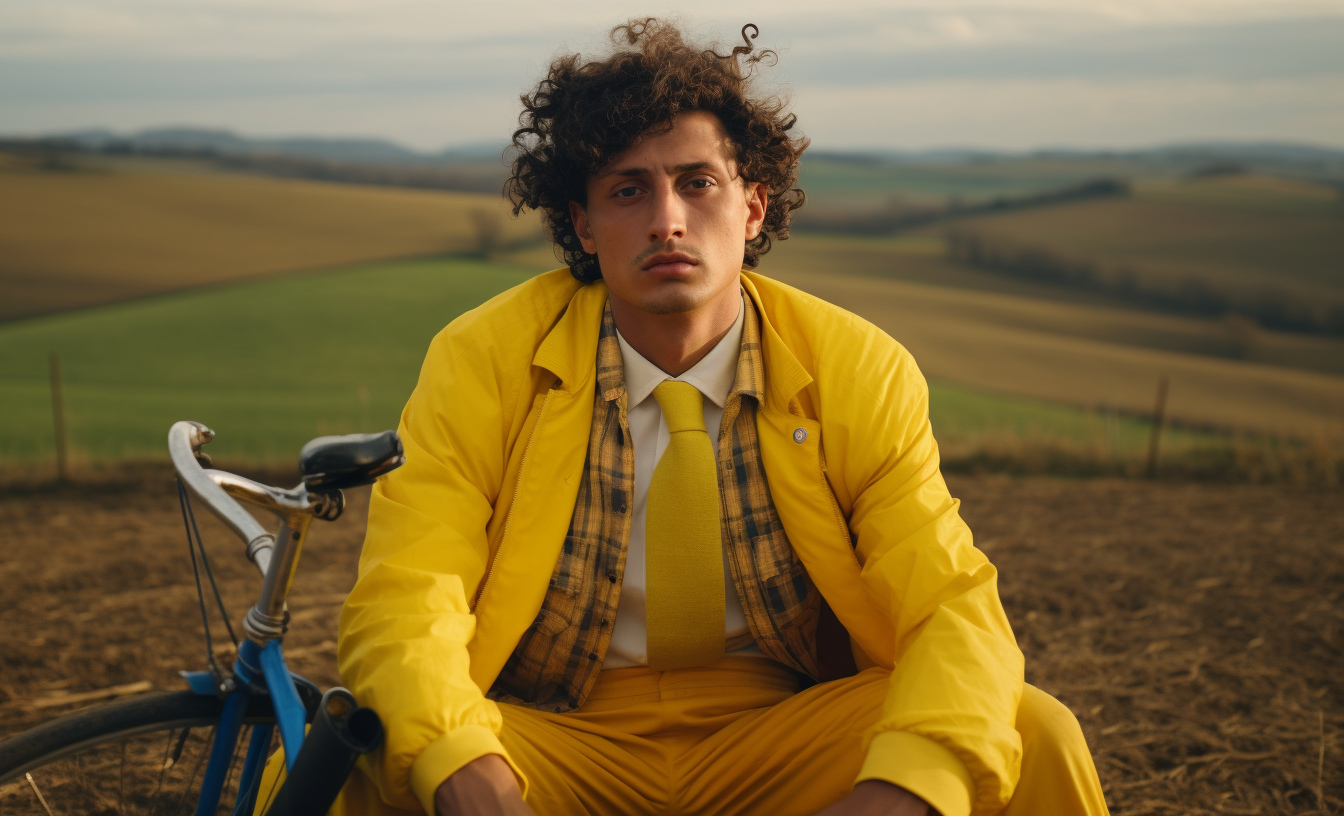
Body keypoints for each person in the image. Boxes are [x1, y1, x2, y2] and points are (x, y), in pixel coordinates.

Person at [276, 18, 1109, 816]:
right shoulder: (482, 359)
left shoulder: (856, 366)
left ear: (752, 208)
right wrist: (461, 766)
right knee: (324, 767)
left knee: (1037, 734)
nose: (667, 220)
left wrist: (905, 789)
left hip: (780, 732)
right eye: (628, 190)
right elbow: (408, 595)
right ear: (583, 225)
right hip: (550, 731)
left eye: (697, 183)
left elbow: (947, 601)